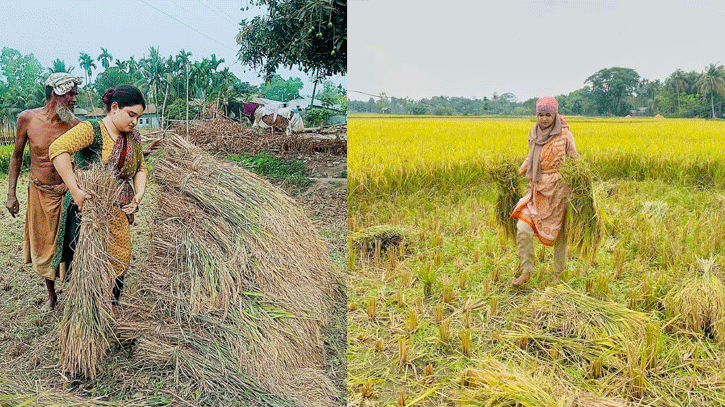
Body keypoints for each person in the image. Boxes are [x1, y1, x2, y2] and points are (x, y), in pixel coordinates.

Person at [49, 84, 148, 305]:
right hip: (89, 212)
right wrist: (75, 190)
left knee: (120, 259)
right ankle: (88, 309)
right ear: (115, 107)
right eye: (131, 115)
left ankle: (113, 304)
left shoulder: (132, 138)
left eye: (138, 118)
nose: (134, 122)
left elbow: (141, 168)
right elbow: (57, 149)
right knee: (89, 264)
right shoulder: (91, 129)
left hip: (118, 211)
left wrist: (138, 195)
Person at [5, 72, 82, 312]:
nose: (74, 99)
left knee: (72, 242)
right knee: (43, 243)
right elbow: (17, 157)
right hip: (39, 193)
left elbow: (84, 162)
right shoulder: (27, 119)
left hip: (68, 194)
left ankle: (75, 289)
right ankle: (51, 296)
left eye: (75, 95)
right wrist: (11, 194)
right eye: (70, 94)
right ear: (55, 94)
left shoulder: (76, 126)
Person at [510, 96, 579, 286]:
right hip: (537, 189)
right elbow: (530, 156)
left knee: (560, 234)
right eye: (541, 114)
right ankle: (526, 270)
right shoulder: (534, 133)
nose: (544, 119)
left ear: (555, 114)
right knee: (523, 228)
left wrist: (579, 182)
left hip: (559, 190)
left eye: (548, 114)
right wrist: (518, 171)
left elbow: (575, 158)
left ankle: (558, 274)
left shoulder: (564, 134)